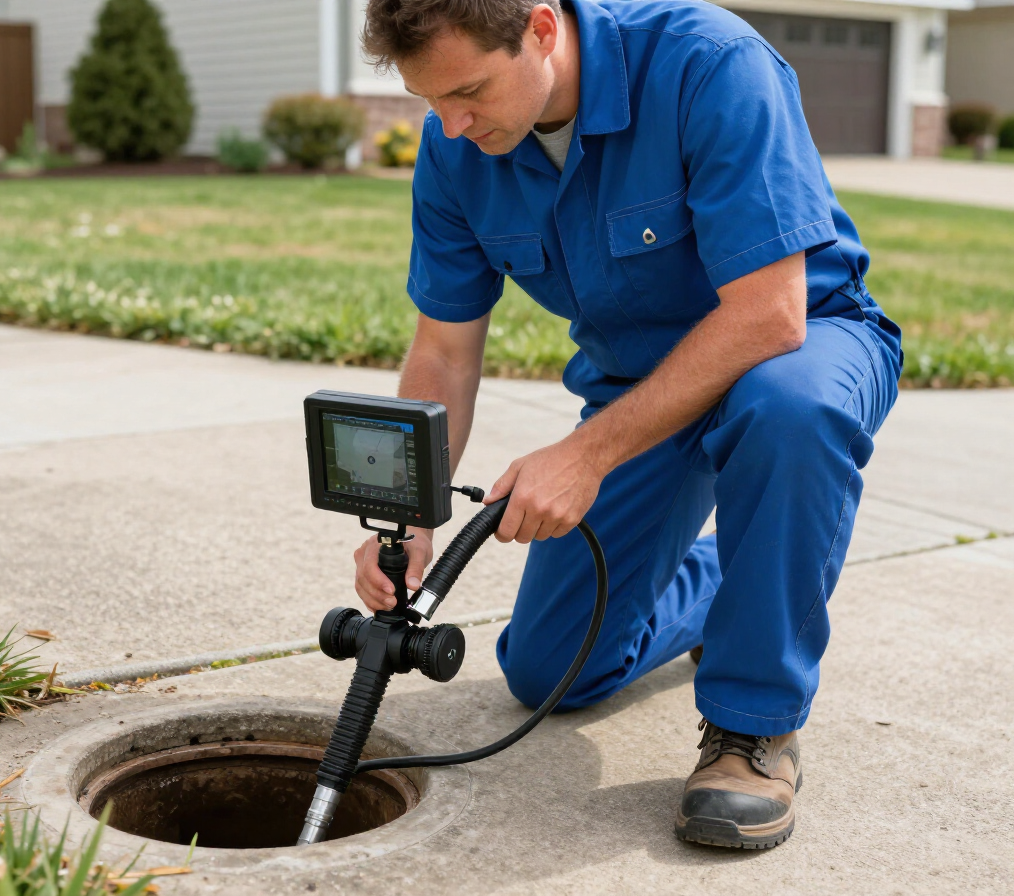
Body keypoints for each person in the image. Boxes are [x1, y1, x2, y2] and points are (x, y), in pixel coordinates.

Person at [350, 0, 902, 850]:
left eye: (468, 92)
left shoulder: (709, 63)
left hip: (802, 341)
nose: (453, 126)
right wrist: (408, 512)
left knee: (790, 409)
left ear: (540, 28)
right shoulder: (457, 148)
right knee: (549, 673)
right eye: (433, 104)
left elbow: (769, 316)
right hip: (640, 385)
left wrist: (584, 455)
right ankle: (740, 577)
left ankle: (753, 730)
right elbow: (444, 354)